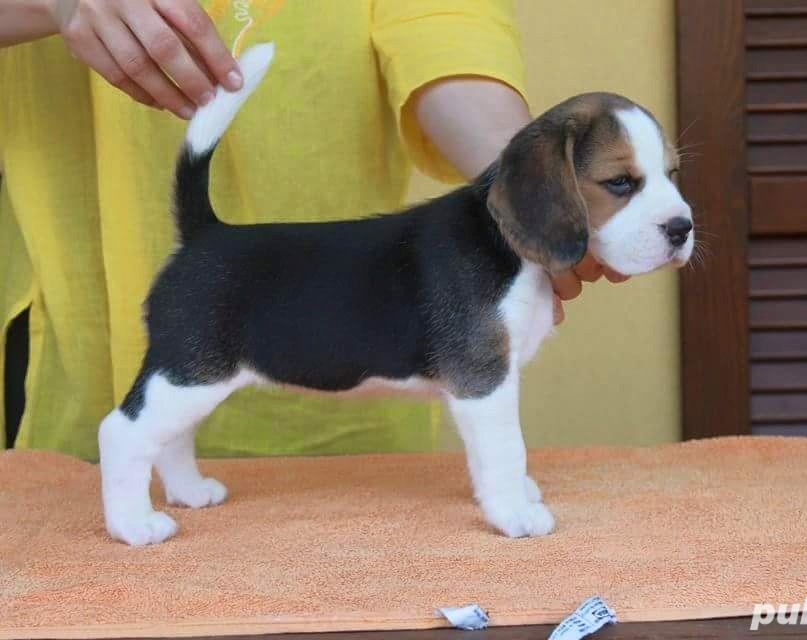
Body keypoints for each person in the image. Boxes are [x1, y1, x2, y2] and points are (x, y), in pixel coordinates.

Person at [0, 0, 624, 460]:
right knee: (170, 398)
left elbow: (447, 31)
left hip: (361, 422)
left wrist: (531, 194)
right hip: (79, 329)